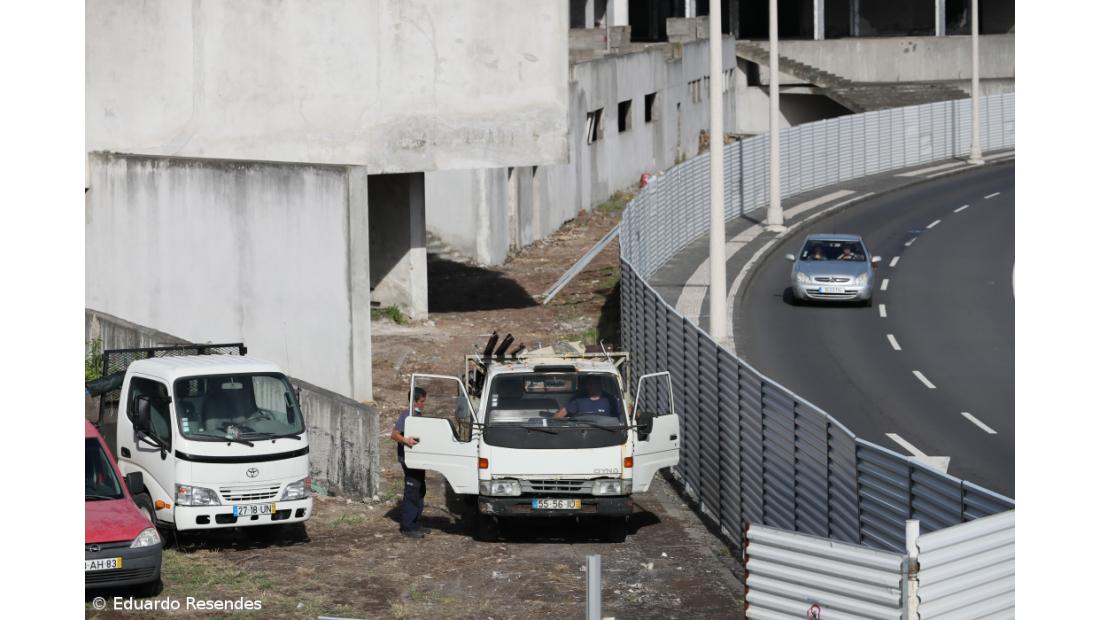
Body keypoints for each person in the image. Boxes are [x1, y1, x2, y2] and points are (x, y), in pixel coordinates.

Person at [391, 387, 431, 538]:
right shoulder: (406, 415)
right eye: (421, 401)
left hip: (418, 459)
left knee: (420, 489)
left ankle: (416, 523)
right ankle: (407, 527)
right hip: (409, 459)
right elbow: (394, 434)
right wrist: (406, 441)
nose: (423, 404)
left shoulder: (418, 415)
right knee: (412, 489)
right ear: (414, 401)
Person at [553, 376, 622, 419]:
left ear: (600, 384)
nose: (591, 386)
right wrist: (553, 421)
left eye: (594, 383)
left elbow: (620, 418)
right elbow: (561, 414)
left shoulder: (610, 400)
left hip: (606, 433)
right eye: (589, 384)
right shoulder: (578, 399)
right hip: (581, 432)